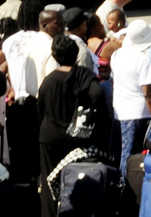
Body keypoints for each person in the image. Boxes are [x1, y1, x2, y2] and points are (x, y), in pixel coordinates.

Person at [38, 33, 107, 186]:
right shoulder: (84, 76)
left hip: (50, 137)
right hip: (77, 138)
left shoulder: (48, 81)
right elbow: (98, 94)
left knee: (49, 180)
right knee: (76, 180)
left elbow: (40, 111)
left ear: (55, 57)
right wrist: (87, 115)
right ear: (76, 54)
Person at [110, 18, 151, 158]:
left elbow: (114, 81)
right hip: (139, 114)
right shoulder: (143, 59)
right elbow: (148, 94)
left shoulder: (116, 55)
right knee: (132, 156)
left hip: (119, 112)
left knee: (122, 153)